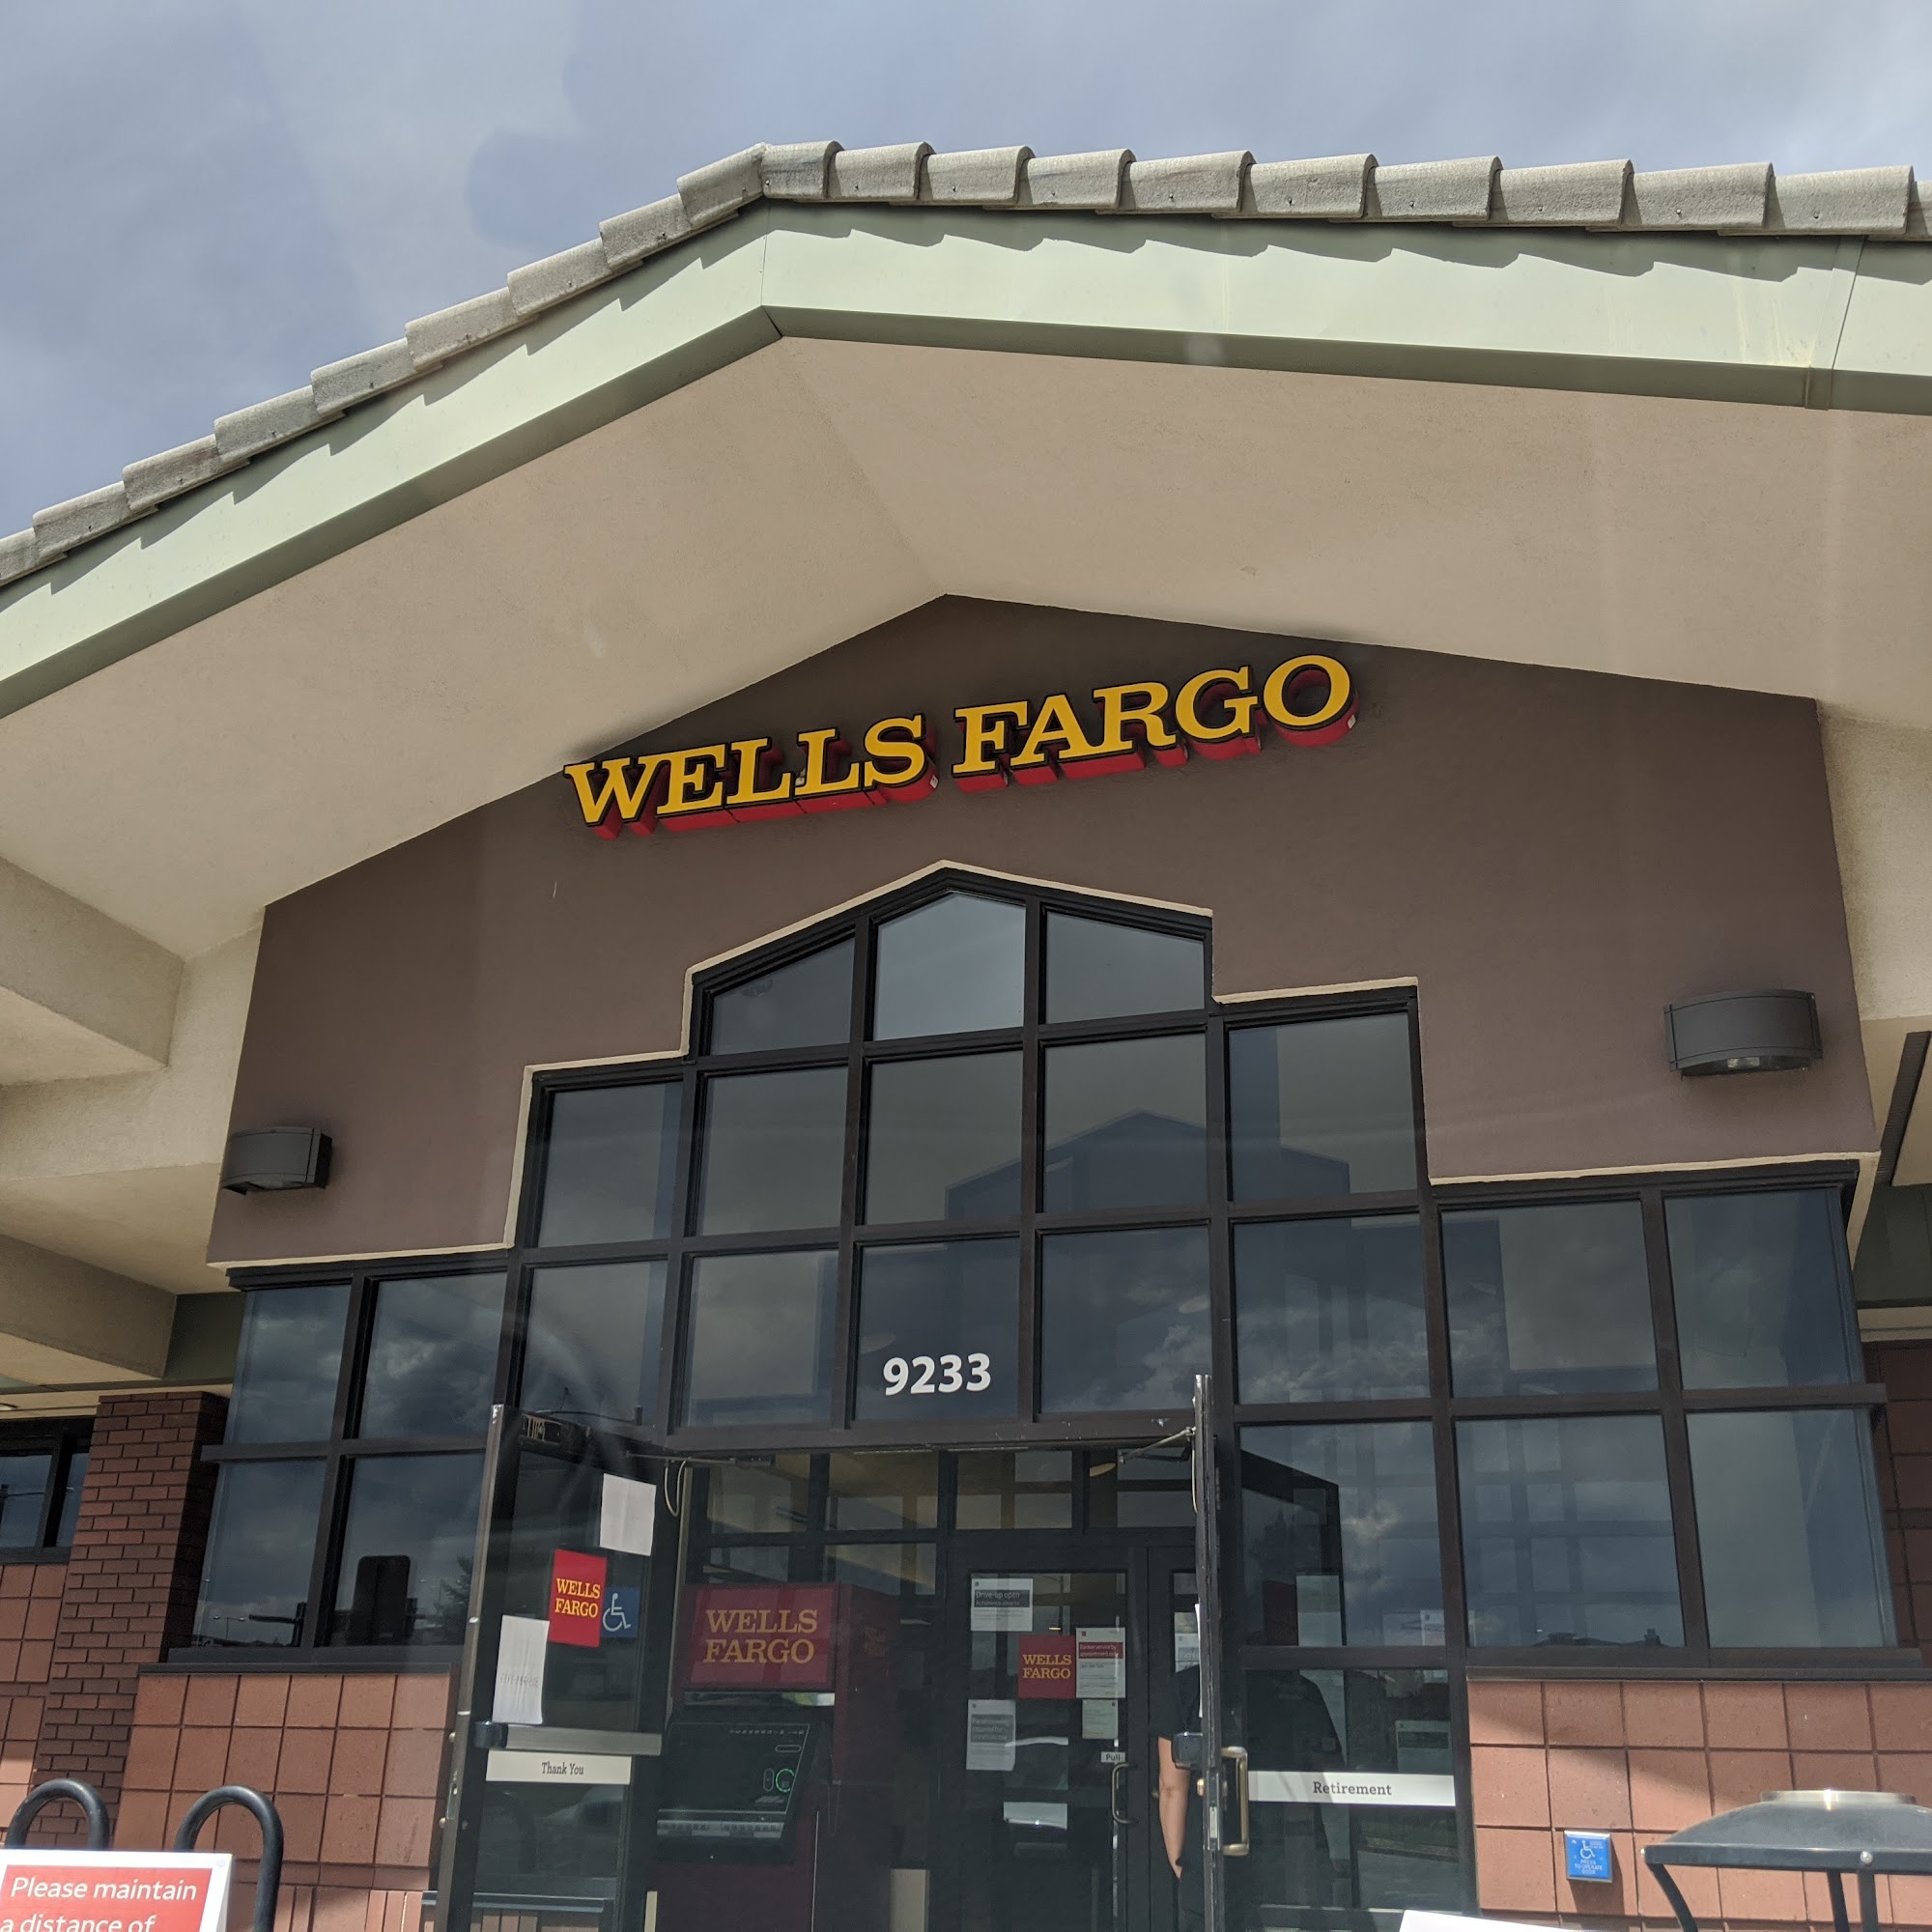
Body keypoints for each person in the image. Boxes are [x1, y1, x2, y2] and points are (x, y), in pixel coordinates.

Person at [1156, 1662, 1205, 1926]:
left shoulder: (1187, 1687)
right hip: (1286, 1850)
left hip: (1205, 1853)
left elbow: (1172, 1788)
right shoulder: (1297, 1688)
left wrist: (1180, 1864)